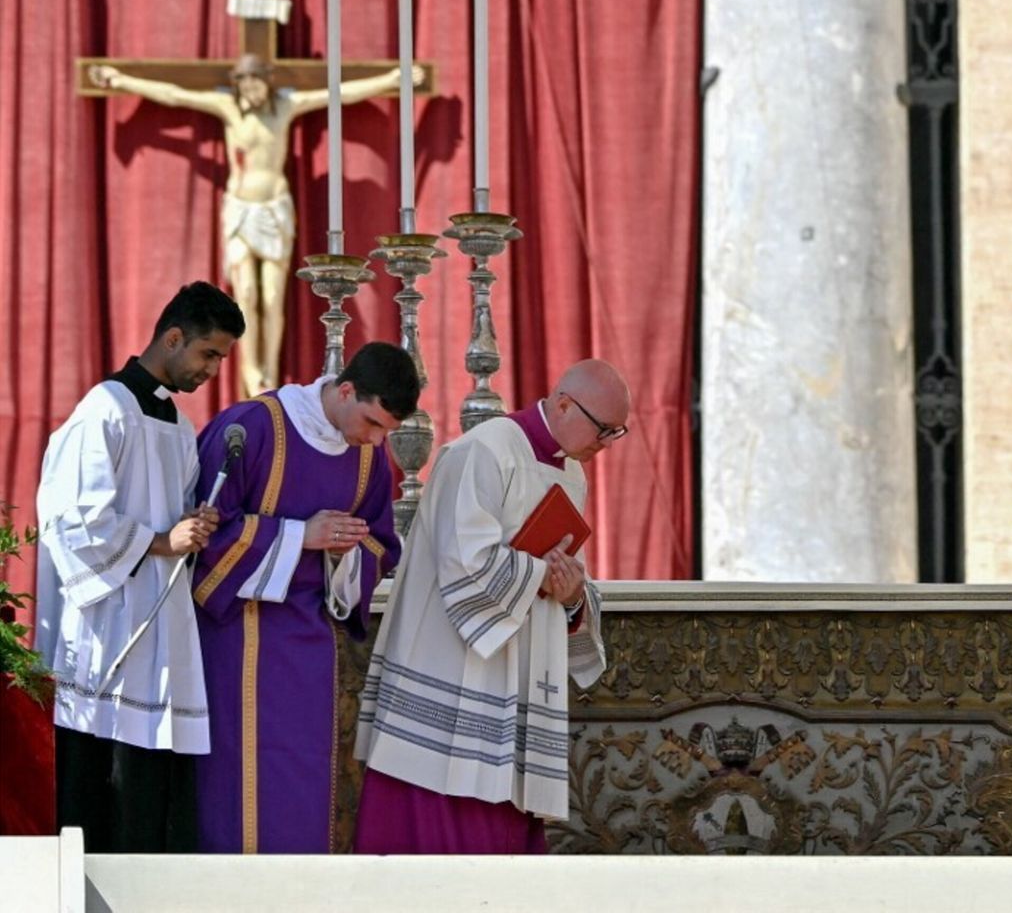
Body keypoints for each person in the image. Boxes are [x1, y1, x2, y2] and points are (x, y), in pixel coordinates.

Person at [352, 359, 628, 854]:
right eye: (603, 429)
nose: (606, 444)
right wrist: (542, 575)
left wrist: (571, 597)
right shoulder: (483, 450)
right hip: (457, 676)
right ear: (564, 403)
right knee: (441, 832)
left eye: (617, 433)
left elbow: (569, 571)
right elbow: (465, 562)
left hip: (518, 674)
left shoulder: (572, 474)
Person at [33, 282, 244, 852]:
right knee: (105, 784)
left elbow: (171, 525)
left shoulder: (176, 424)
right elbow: (71, 519)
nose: (213, 369)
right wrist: (162, 539)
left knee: (156, 785)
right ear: (172, 337)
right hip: (109, 627)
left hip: (161, 624)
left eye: (221, 358)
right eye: (208, 354)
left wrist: (194, 524)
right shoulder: (105, 408)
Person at [189, 341, 419, 853]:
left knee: (303, 784)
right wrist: (300, 536)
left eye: (387, 431)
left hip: (312, 647)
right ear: (345, 390)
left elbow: (381, 543)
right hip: (237, 640)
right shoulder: (252, 428)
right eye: (372, 422)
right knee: (236, 783)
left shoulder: (367, 459)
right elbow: (203, 534)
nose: (377, 439)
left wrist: (344, 552)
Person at [89, 55, 422, 398]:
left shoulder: (286, 106)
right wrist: (121, 81)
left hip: (273, 210)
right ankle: (251, 376)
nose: (251, 91)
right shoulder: (229, 109)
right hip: (240, 210)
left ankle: (270, 371)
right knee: (245, 292)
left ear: (266, 82)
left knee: (273, 295)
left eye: (257, 83)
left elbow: (338, 93)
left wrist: (391, 80)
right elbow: (175, 94)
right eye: (245, 84)